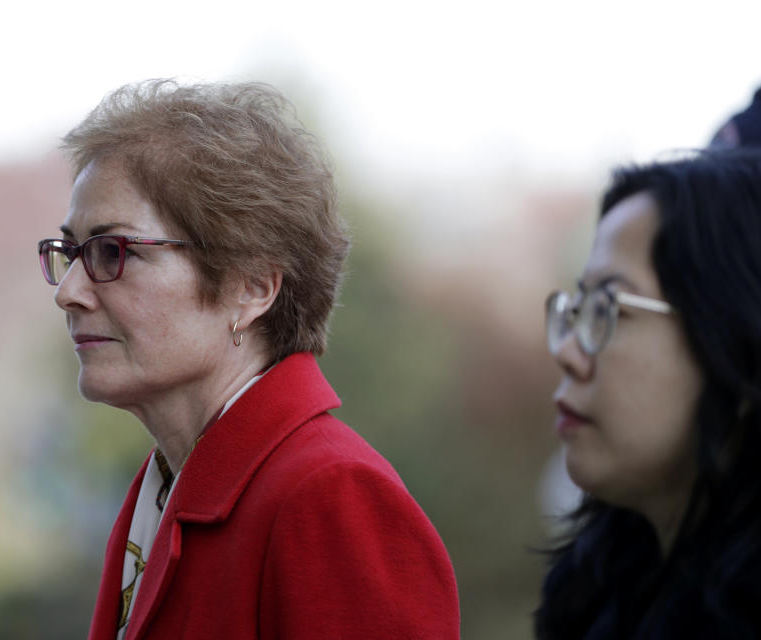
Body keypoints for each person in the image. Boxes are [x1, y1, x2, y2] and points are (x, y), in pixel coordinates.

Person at [38, 79, 460, 640]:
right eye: (70, 252)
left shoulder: (332, 497)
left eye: (112, 251)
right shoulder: (163, 488)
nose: (69, 291)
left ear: (252, 286)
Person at [535, 149, 761, 639]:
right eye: (579, 310)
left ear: (736, 335)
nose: (569, 354)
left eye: (608, 309)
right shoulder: (589, 599)